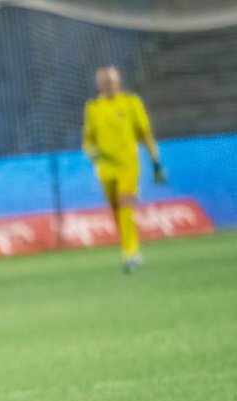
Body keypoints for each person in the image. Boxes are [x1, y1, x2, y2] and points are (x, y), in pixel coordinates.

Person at [82, 66, 167, 274]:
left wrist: (156, 162)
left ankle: (131, 252)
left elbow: (144, 134)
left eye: (110, 82)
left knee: (125, 205)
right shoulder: (93, 108)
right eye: (104, 82)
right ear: (98, 85)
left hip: (128, 165)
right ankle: (129, 248)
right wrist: (92, 154)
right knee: (117, 212)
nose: (107, 86)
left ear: (118, 82)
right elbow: (87, 141)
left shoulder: (131, 103)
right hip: (106, 169)